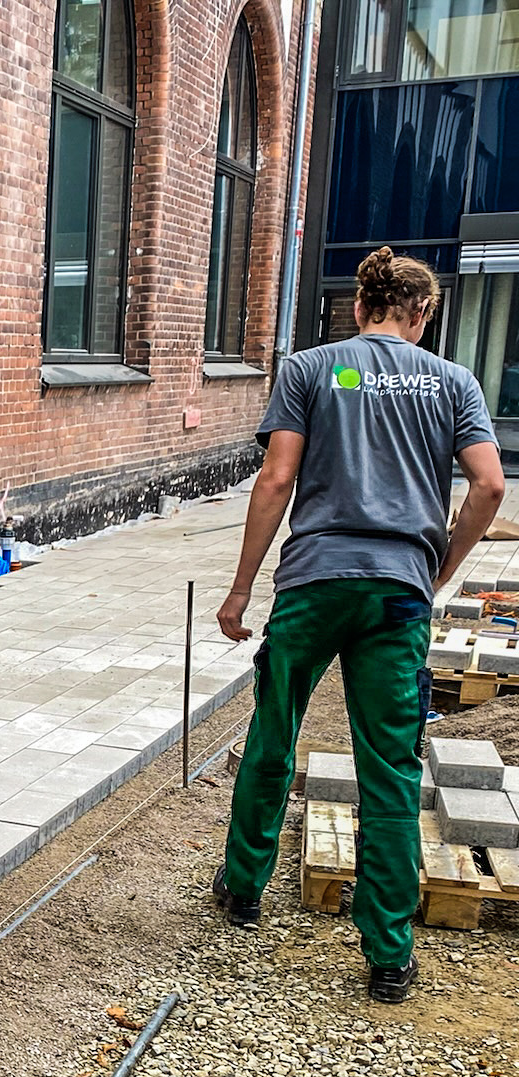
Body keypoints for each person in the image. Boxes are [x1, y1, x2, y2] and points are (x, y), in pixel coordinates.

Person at [212, 247, 506, 1004]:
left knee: (275, 733)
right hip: (398, 594)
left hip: (314, 581)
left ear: (358, 307)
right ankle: (387, 958)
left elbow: (277, 478)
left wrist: (241, 589)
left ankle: (243, 889)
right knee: (390, 768)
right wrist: (439, 568)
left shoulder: (309, 369)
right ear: (423, 314)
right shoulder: (455, 382)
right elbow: (489, 483)